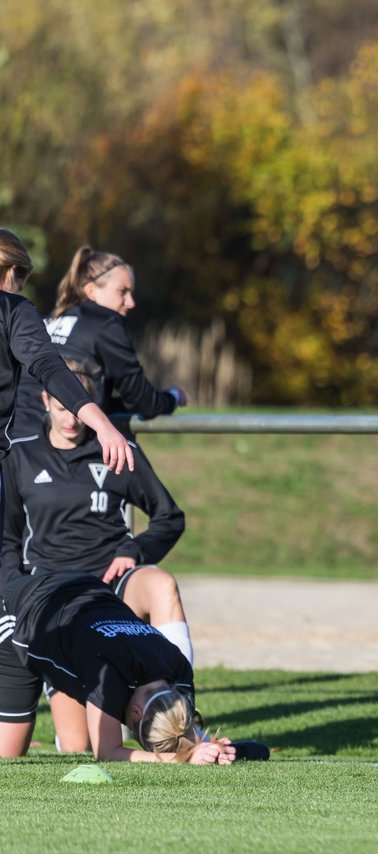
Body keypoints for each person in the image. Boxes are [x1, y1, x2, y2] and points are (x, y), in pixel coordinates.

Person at [2, 357, 191, 752]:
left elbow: (169, 517)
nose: (71, 418)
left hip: (111, 582)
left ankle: (179, 716)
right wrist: (16, 589)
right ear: (44, 400)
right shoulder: (19, 457)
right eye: (61, 406)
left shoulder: (116, 449)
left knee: (161, 584)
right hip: (56, 598)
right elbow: (6, 540)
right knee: (78, 748)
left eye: (80, 408)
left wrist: (135, 550)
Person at [0, 571, 230, 763]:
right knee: (6, 755)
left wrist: (211, 748)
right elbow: (107, 752)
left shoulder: (178, 674)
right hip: (21, 609)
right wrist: (183, 759)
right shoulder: (108, 673)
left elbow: (180, 729)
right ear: (136, 713)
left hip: (83, 598)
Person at [12, 244, 187, 436]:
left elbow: (85, 396)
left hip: (14, 437)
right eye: (123, 291)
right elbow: (143, 402)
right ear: (92, 291)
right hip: (53, 445)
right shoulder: (106, 326)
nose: (131, 302)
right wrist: (173, 396)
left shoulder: (50, 319)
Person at [0, 229, 133, 476]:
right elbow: (48, 367)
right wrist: (102, 424)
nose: (16, 292)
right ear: (10, 272)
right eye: (19, 286)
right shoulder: (12, 309)